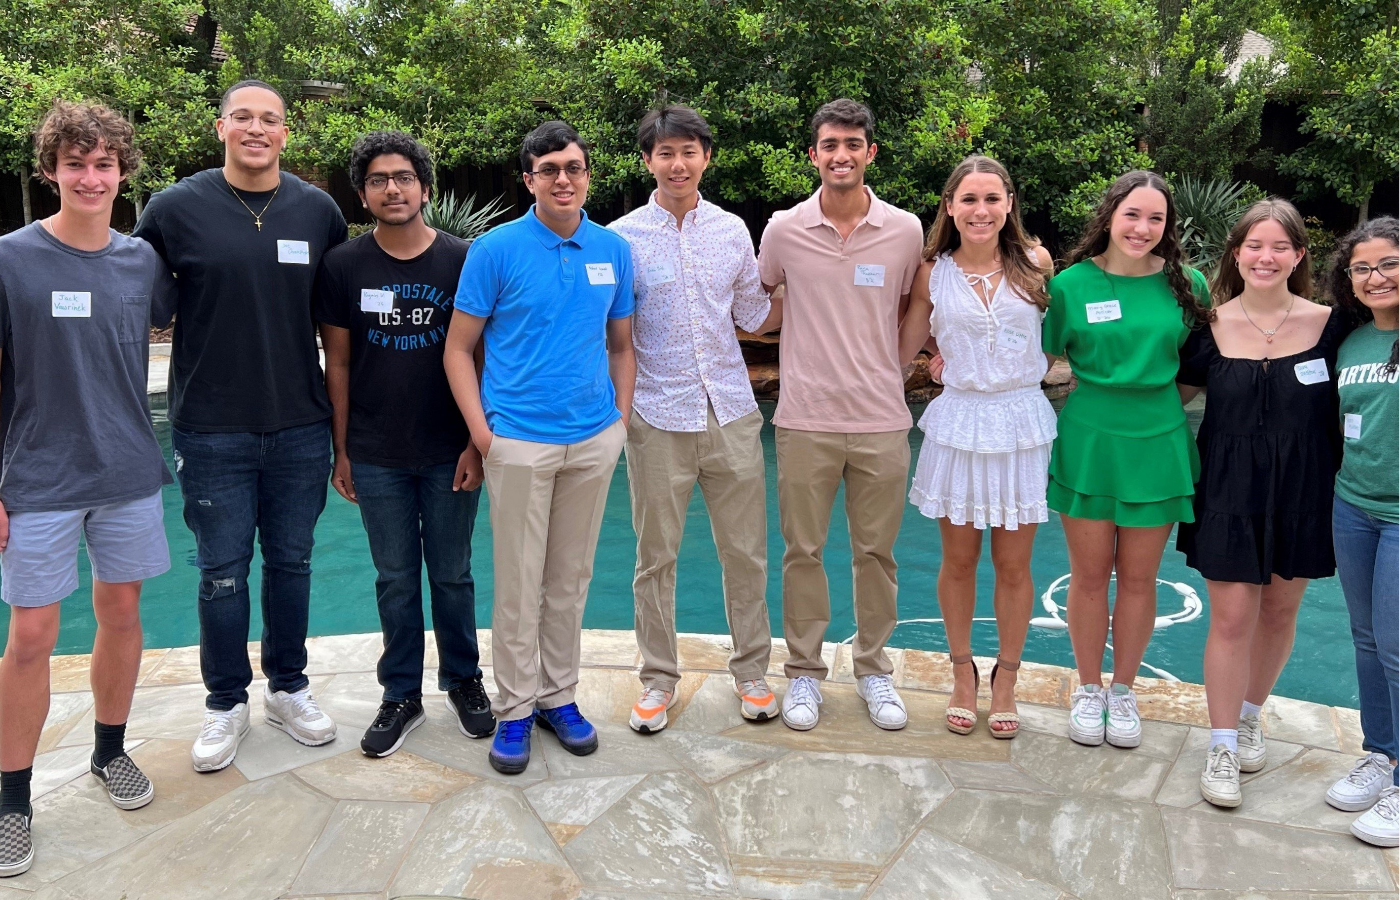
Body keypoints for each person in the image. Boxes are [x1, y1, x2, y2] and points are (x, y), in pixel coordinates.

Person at [133, 80, 348, 772]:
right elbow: (129, 299)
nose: (257, 129)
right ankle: (226, 700)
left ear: (287, 134)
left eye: (271, 120)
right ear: (220, 126)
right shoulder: (173, 210)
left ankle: (288, 686)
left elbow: (336, 326)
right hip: (210, 428)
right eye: (244, 117)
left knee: (291, 564)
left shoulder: (318, 212)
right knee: (220, 573)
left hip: (299, 425)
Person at [0, 101, 173, 876]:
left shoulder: (141, 261)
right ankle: (11, 797)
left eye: (105, 164)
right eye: (77, 163)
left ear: (123, 172)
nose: (92, 177)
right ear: (50, 171)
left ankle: (108, 751)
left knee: (123, 613)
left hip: (128, 470)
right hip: (37, 473)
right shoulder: (10, 258)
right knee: (31, 636)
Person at [445, 120, 635, 774]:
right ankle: (516, 708)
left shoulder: (612, 249)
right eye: (548, 169)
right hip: (518, 440)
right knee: (519, 584)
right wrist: (481, 431)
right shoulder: (495, 250)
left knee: (570, 579)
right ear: (528, 179)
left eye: (573, 168)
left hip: (591, 439)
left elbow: (622, 345)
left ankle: (560, 697)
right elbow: (459, 348)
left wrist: (619, 422)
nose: (563, 179)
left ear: (588, 175)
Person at [315, 131, 495, 758]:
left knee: (452, 574)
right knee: (394, 577)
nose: (392, 189)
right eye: (378, 180)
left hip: (450, 448)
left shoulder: (463, 259)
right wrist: (342, 450)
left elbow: (479, 355)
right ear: (363, 194)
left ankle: (465, 681)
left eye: (403, 177)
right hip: (375, 451)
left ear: (424, 186)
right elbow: (336, 365)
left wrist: (477, 442)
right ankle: (400, 694)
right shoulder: (343, 265)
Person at [608, 105, 783, 733]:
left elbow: (754, 314)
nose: (677, 164)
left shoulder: (734, 230)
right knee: (655, 556)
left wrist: (804, 280)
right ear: (648, 160)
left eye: (688, 151)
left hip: (732, 411)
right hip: (655, 415)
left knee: (747, 554)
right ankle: (656, 680)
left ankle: (753, 672)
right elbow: (609, 331)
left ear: (707, 156)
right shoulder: (621, 237)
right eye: (664, 153)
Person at [757, 99, 923, 733]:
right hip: (804, 419)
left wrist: (894, 367)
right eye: (830, 145)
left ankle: (874, 669)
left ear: (870, 152)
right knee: (803, 550)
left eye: (853, 144)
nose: (841, 155)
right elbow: (764, 300)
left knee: (876, 553)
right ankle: (803, 672)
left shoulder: (905, 230)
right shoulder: (783, 230)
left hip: (883, 420)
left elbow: (917, 304)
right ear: (814, 154)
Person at [1176, 200, 1344, 807]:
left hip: (1306, 492)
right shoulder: (1208, 326)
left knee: (1278, 613)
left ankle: (1249, 714)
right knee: (1230, 619)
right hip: (1226, 490)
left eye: (1278, 247)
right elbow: (1163, 398)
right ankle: (1221, 744)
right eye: (1253, 246)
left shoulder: (1333, 326)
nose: (1265, 257)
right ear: (1236, 254)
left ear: (1299, 256)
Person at [1042, 170, 1211, 749]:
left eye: (1156, 218)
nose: (1143, 228)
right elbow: (1035, 359)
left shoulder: (1188, 284)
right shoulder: (1069, 286)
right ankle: (1088, 688)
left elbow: (1195, 369)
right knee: (1089, 578)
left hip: (1159, 443)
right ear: (1110, 215)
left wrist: (1154, 406)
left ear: (1168, 226)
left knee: (1140, 579)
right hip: (1089, 441)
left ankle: (1123, 690)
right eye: (1132, 214)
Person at [898, 155, 1055, 739]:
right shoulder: (931, 270)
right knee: (959, 560)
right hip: (959, 422)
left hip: (1021, 423)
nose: (980, 210)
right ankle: (962, 671)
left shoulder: (1036, 263)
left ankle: (1007, 677)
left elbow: (1062, 333)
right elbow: (907, 342)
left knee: (1014, 566)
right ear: (949, 206)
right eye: (969, 199)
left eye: (992, 198)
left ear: (1009, 204)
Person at [1321, 216, 1399, 848]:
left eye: (1389, 263)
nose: (1376, 277)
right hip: (1354, 505)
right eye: (1363, 268)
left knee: (1398, 646)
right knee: (1367, 639)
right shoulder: (1350, 343)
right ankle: (1380, 754)